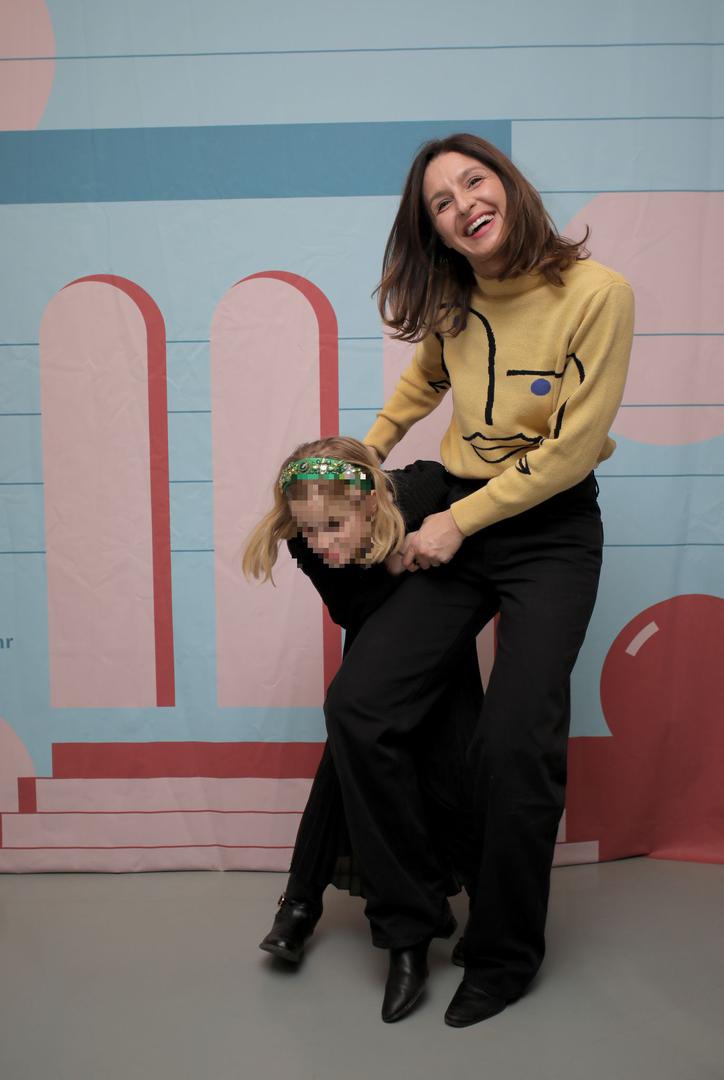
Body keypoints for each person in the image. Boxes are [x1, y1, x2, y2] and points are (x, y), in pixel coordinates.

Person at [317, 133, 634, 1026]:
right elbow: (423, 381)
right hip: (459, 511)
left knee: (514, 744)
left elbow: (571, 449)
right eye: (441, 204)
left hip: (548, 532)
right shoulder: (455, 297)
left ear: (509, 186)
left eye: (474, 182)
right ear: (436, 232)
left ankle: (503, 955)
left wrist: (458, 523)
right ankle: (410, 917)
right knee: (360, 707)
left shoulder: (599, 293)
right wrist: (361, 460)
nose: (464, 206)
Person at [242, 437, 484, 981]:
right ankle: (304, 904)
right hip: (375, 649)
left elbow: (471, 506)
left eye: (333, 525)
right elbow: (351, 610)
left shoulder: (418, 489)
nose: (320, 542)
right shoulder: (304, 542)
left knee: (456, 763)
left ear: (371, 503)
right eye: (309, 528)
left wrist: (435, 537)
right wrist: (392, 567)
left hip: (443, 655)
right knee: (351, 743)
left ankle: (301, 904)